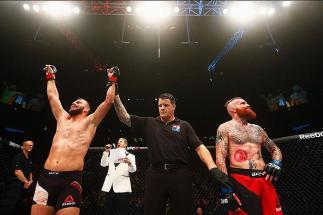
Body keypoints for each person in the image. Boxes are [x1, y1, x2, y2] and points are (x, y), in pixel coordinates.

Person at [114, 91, 239, 215]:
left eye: (166, 105)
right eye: (160, 105)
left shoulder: (184, 126)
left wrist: (212, 168)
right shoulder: (149, 123)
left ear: (174, 106)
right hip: (156, 174)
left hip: (180, 174)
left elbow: (199, 147)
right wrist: (116, 94)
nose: (162, 108)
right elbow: (124, 117)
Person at [31, 64, 118, 215]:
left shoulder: (90, 122)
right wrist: (50, 76)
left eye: (79, 102)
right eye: (74, 101)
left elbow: (108, 102)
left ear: (86, 109)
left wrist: (113, 79)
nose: (74, 103)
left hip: (70, 180)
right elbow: (52, 96)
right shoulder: (62, 118)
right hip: (46, 178)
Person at [215, 97, 283, 215]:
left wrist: (276, 162)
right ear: (233, 109)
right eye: (243, 103)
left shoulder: (258, 129)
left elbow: (275, 149)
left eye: (247, 102)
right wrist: (225, 187)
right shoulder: (225, 128)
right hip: (241, 179)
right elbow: (220, 158)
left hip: (265, 177)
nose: (248, 104)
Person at [100, 137, 136, 215]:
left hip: (122, 186)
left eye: (121, 141)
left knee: (124, 210)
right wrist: (106, 152)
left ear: (126, 144)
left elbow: (133, 170)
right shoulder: (111, 154)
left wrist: (129, 163)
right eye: (118, 141)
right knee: (108, 209)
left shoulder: (131, 156)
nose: (118, 142)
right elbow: (103, 164)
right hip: (110, 186)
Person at [0, 140, 34, 215]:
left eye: (32, 145)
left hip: (25, 186)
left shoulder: (29, 159)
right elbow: (17, 172)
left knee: (18, 207)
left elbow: (30, 172)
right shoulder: (19, 156)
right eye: (28, 145)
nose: (31, 147)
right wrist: (26, 182)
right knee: (8, 206)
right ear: (24, 146)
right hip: (15, 185)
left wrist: (30, 181)